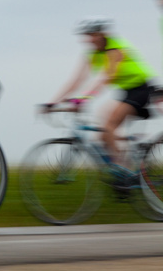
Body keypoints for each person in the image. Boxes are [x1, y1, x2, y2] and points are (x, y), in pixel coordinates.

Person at [46, 16, 155, 175]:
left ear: (102, 34)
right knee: (103, 133)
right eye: (87, 35)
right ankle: (127, 162)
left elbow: (108, 77)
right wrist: (52, 103)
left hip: (142, 89)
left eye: (93, 35)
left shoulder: (115, 49)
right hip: (127, 92)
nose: (90, 39)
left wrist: (83, 99)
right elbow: (77, 80)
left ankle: (125, 170)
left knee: (109, 125)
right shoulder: (93, 54)